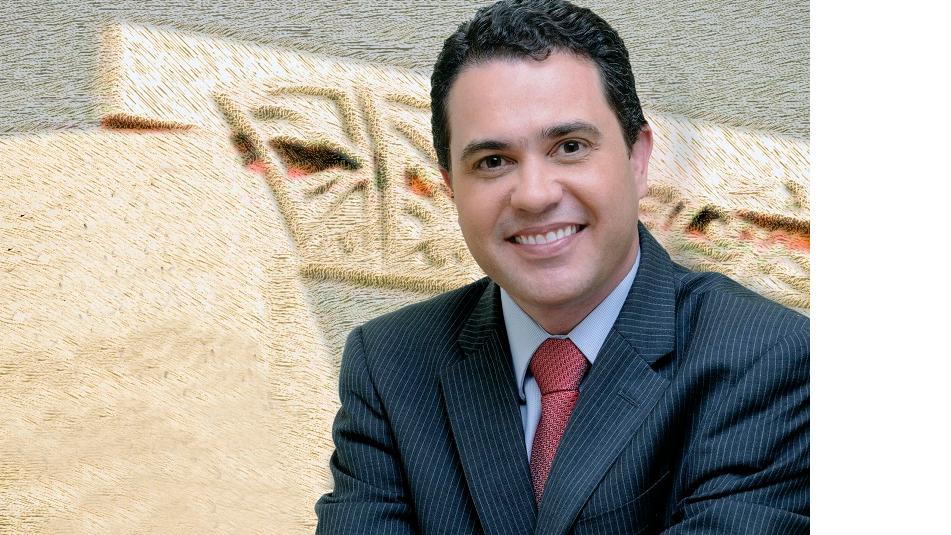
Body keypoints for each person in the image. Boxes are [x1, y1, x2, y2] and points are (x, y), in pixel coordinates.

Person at [315, 1, 809, 533]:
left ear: (637, 158)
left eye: (570, 147)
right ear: (451, 185)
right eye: (493, 162)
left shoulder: (768, 359)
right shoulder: (390, 365)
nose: (534, 195)